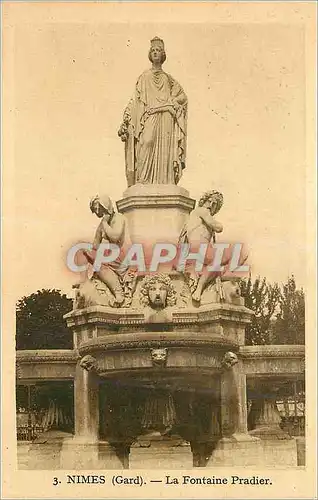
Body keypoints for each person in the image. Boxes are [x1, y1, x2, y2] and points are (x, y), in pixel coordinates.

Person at [118, 37, 187, 186]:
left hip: (166, 117)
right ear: (150, 54)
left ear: (163, 55)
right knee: (146, 142)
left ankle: (165, 181)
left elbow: (183, 96)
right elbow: (135, 101)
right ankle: (143, 180)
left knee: (165, 152)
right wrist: (126, 118)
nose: (156, 53)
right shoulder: (144, 77)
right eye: (153, 50)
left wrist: (173, 102)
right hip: (149, 115)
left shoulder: (168, 79)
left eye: (158, 50)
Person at [83, 195, 131, 306]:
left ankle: (118, 292)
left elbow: (115, 237)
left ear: (106, 206)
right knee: (92, 258)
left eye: (99, 208)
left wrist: (104, 223)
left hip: (123, 254)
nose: (97, 211)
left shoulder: (118, 218)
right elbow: (95, 245)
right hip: (110, 255)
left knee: (99, 263)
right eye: (95, 209)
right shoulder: (103, 223)